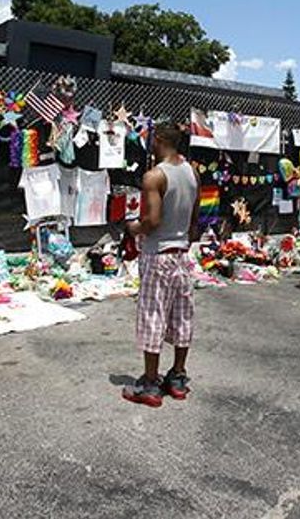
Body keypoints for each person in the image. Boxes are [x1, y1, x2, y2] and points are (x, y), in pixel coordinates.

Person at [122, 123, 200, 407]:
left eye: (152, 140)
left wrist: (133, 228)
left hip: (158, 256)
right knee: (181, 315)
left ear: (159, 140)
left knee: (153, 315)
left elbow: (152, 221)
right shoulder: (192, 172)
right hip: (181, 255)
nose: (150, 144)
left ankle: (151, 383)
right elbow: (195, 218)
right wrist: (184, 237)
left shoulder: (154, 176)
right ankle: (178, 377)